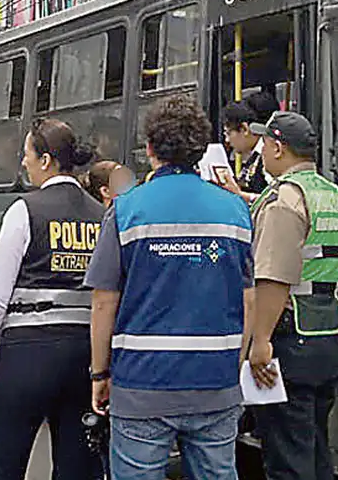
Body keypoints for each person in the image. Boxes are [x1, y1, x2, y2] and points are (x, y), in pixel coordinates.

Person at [86, 95, 255, 480]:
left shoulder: (127, 209)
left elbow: (103, 302)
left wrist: (100, 374)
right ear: (200, 150)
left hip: (142, 383)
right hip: (215, 382)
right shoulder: (235, 210)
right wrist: (234, 364)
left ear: (149, 149)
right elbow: (248, 298)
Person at [0, 118, 103, 480]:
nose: (23, 163)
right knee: (78, 465)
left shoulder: (25, 210)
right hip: (84, 355)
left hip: (28, 354)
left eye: (27, 155)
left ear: (45, 160)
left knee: (5, 460)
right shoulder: (102, 214)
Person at [226, 111, 338, 480]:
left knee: (286, 457)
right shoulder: (331, 193)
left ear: (278, 148)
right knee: (315, 447)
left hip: (288, 338)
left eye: (265, 144)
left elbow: (273, 277)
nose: (262, 151)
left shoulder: (284, 199)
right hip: (327, 333)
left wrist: (260, 342)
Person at [222, 91, 279, 200]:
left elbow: (277, 199)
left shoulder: (268, 157)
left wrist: (242, 195)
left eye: (228, 133)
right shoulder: (255, 157)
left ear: (244, 129)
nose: (227, 140)